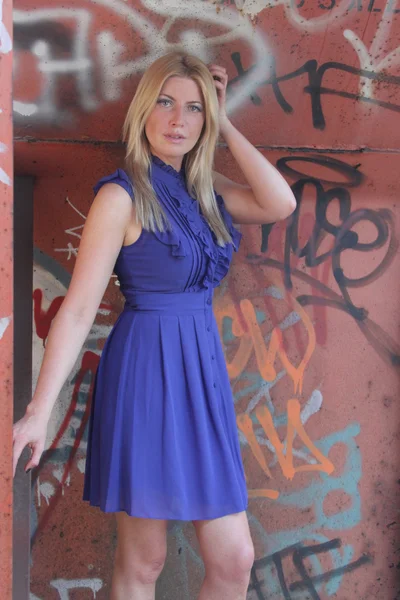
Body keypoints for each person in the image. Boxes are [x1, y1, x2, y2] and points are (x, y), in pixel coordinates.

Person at [13, 51, 296, 600]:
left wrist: (225, 118)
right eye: (165, 102)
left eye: (194, 109)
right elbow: (75, 310)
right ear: (143, 110)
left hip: (202, 377)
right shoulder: (121, 196)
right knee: (145, 561)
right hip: (146, 373)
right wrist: (39, 411)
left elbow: (278, 202)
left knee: (235, 560)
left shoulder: (205, 189)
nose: (178, 119)